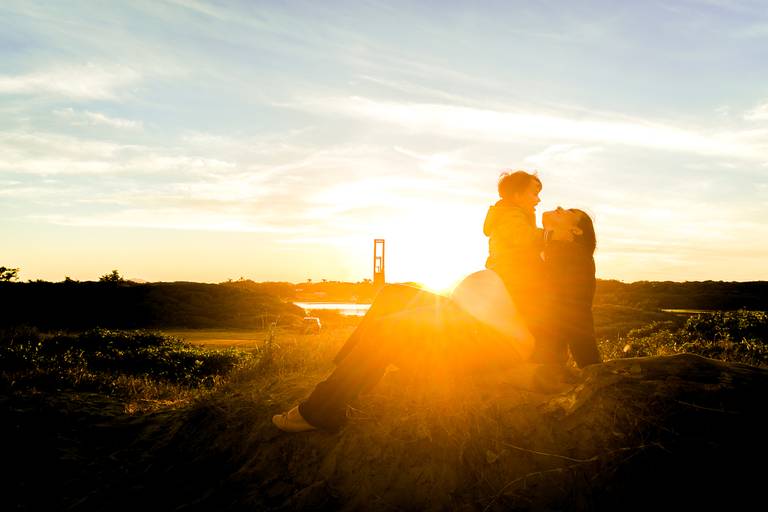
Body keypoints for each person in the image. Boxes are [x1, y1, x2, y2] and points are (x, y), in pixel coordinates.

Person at [272, 207, 600, 433]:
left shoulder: (575, 260)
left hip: (498, 337)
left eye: (566, 211)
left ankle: (322, 410)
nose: (555, 208)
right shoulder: (544, 251)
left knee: (392, 327)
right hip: (476, 316)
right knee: (394, 294)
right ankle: (354, 375)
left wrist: (593, 371)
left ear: (575, 230)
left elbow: (577, 315)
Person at [482, 170, 546, 348]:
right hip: (512, 279)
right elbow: (523, 238)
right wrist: (549, 236)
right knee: (526, 320)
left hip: (512, 277)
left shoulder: (512, 214)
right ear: (517, 196)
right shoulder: (510, 215)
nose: (538, 200)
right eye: (534, 194)